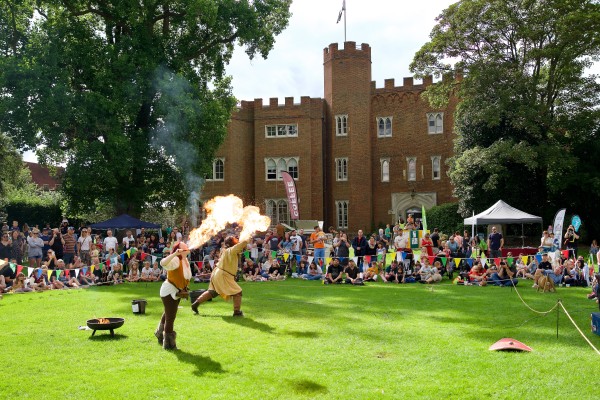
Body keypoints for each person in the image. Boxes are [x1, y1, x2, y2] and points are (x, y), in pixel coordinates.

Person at [191, 235, 247, 317]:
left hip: (218, 273)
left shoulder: (227, 250)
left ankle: (195, 304)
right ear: (232, 243)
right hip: (223, 275)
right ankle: (237, 312)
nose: (237, 241)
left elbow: (240, 248)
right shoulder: (231, 250)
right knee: (238, 292)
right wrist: (246, 238)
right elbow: (242, 244)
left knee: (213, 292)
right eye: (235, 240)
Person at [155, 241, 192, 350]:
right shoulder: (176, 259)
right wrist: (175, 254)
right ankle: (168, 343)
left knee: (168, 313)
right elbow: (163, 263)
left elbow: (185, 276)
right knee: (171, 316)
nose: (186, 246)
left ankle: (159, 333)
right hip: (168, 291)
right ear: (179, 249)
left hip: (177, 291)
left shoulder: (186, 261)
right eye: (183, 245)